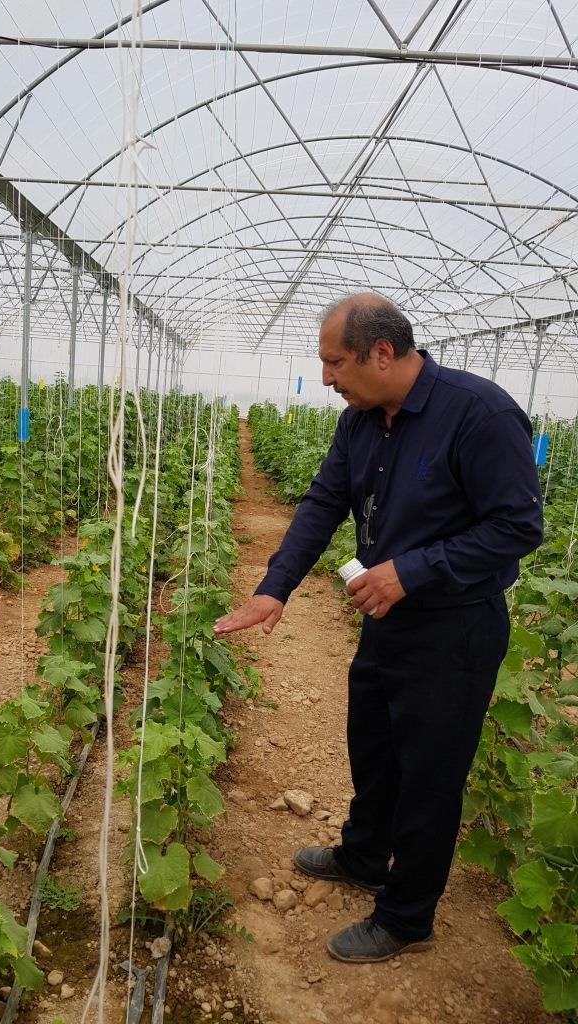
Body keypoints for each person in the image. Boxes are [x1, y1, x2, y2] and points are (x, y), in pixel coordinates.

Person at [214, 293, 543, 963]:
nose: (328, 377)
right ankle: (365, 855)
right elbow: (324, 502)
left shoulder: (478, 414)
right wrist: (273, 589)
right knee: (374, 744)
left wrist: (412, 571)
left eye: (335, 363)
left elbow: (517, 527)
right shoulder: (362, 421)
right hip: (386, 621)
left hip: (455, 629)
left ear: (382, 354)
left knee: (429, 773)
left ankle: (407, 915)